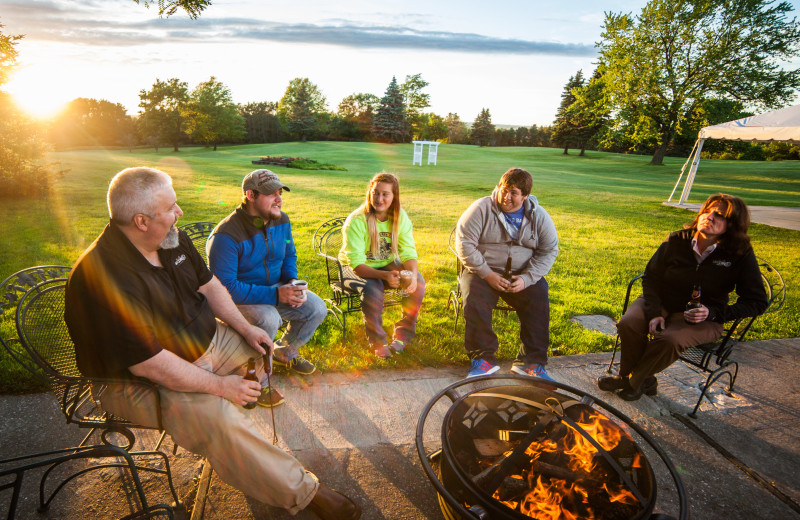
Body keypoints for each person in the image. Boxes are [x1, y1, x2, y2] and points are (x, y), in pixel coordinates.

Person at [65, 167, 360, 520]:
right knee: (219, 417)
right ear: (141, 221)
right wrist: (221, 387)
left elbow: (210, 287)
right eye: (171, 208)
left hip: (205, 343)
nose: (180, 214)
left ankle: (243, 433)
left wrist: (246, 330)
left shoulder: (171, 239)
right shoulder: (103, 277)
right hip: (136, 382)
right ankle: (305, 493)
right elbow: (150, 364)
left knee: (262, 346)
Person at [597, 193, 768, 401]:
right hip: (660, 301)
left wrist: (713, 313)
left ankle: (631, 380)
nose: (710, 217)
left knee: (670, 339)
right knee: (628, 323)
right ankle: (641, 379)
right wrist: (654, 312)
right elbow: (651, 277)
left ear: (732, 225)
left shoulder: (739, 253)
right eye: (707, 211)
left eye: (719, 215)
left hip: (703, 318)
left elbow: (757, 302)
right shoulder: (677, 240)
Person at [207, 169, 328, 377]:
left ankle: (283, 353)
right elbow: (225, 288)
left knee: (317, 308)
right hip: (241, 298)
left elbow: (289, 253)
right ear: (251, 195)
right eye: (272, 194)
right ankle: (255, 375)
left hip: (274, 289)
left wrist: (291, 282)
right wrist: (276, 295)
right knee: (269, 319)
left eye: (280, 193)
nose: (278, 200)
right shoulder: (226, 236)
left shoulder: (282, 220)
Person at [455, 168, 559, 380]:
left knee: (539, 296)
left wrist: (526, 279)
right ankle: (483, 359)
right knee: (474, 297)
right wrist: (487, 274)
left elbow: (549, 250)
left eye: (513, 192)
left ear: (525, 196)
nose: (506, 197)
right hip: (483, 271)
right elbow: (464, 244)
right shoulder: (481, 208)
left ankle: (530, 363)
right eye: (504, 190)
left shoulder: (539, 215)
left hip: (521, 275)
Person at [338, 172, 426, 358]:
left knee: (417, 281)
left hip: (385, 265)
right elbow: (356, 265)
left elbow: (408, 251)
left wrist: (411, 274)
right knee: (373, 287)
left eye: (385, 194)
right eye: (376, 192)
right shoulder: (357, 220)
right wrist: (385, 276)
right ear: (370, 192)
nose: (379, 198)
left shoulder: (399, 216)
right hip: (353, 270)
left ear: (394, 197)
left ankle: (403, 335)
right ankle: (378, 342)